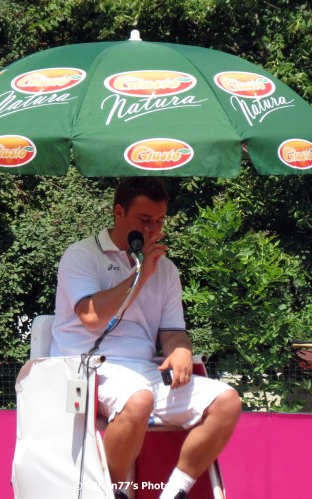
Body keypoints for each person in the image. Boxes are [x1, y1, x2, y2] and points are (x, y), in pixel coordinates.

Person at [51, 177, 242, 499]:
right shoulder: (81, 255)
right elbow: (92, 316)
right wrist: (140, 275)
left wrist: (181, 349)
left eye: (159, 221)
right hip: (86, 367)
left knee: (226, 401)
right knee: (139, 398)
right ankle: (113, 492)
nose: (152, 229)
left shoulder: (166, 270)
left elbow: (172, 332)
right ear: (119, 212)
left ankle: (174, 492)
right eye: (144, 220)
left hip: (143, 372)